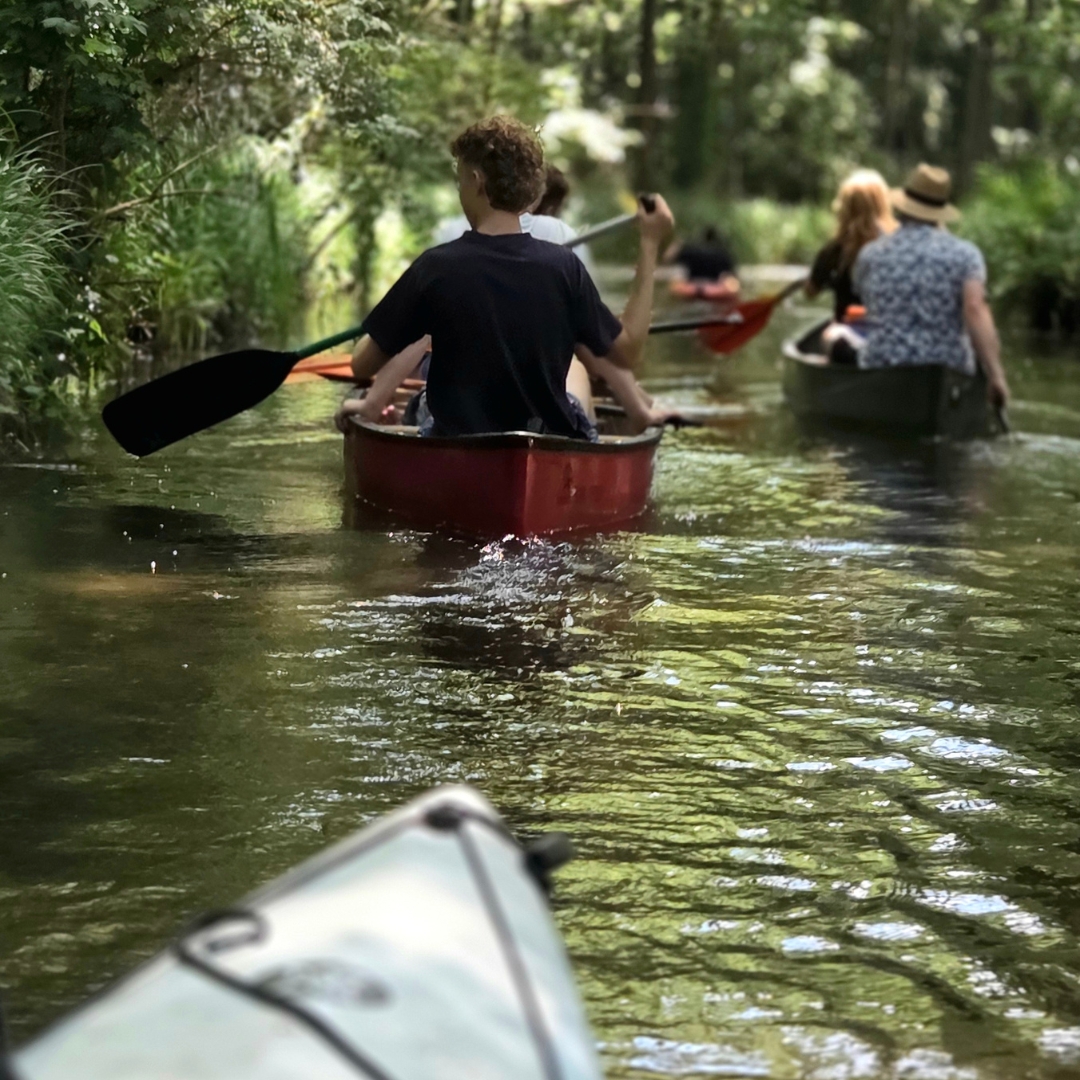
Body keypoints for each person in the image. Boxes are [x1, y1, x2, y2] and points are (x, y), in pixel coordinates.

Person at [345, 115, 674, 440]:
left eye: (460, 180)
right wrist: (649, 244)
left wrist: (393, 320)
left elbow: (361, 366)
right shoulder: (564, 267)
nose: (461, 191)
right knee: (575, 371)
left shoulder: (435, 267)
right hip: (546, 438)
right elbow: (628, 352)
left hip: (459, 442)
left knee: (420, 408)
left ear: (476, 181)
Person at [852, 163, 1010, 407]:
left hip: (882, 365)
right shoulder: (966, 255)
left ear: (901, 207)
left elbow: (865, 300)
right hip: (947, 371)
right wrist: (996, 375)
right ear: (941, 213)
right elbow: (975, 309)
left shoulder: (871, 254)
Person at [806, 169, 897, 328]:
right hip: (884, 331)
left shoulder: (833, 251)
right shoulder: (894, 248)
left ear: (844, 208)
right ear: (881, 206)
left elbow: (810, 292)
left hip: (845, 334)